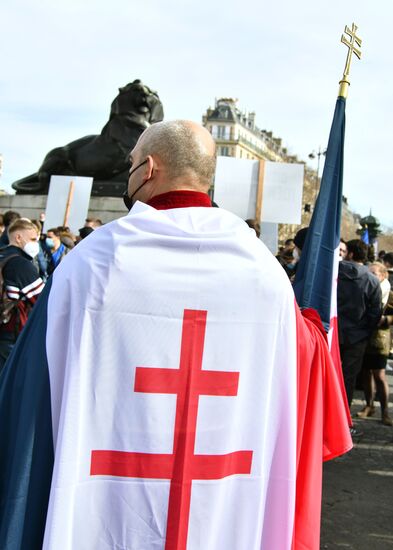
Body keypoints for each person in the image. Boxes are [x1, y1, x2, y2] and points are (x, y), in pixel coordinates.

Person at [0, 121, 351, 550]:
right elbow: (298, 365)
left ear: (147, 169)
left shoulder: (93, 262)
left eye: (130, 164)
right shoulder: (264, 271)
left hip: (109, 490)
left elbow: (34, 387)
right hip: (224, 489)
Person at [337, 239, 382, 410]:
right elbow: (375, 312)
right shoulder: (372, 280)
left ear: (351, 254)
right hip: (357, 337)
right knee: (348, 379)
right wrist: (365, 332)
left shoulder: (333, 273)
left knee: (327, 375)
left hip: (332, 332)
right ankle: (344, 420)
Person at [0, 218, 44, 371]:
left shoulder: (2, 255)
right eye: (32, 239)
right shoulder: (21, 264)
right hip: (10, 332)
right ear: (18, 237)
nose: (35, 244)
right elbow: (42, 300)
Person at [357, 262, 393, 425]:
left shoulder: (389, 293)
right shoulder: (365, 289)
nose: (371, 276)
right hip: (364, 336)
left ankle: (385, 410)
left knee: (379, 375)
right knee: (366, 373)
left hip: (380, 339)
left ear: (383, 275)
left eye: (375, 273)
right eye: (369, 273)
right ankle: (369, 405)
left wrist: (385, 319)